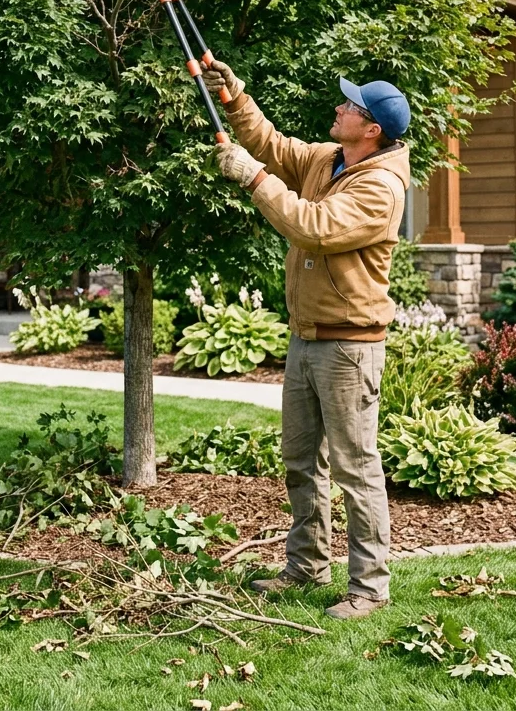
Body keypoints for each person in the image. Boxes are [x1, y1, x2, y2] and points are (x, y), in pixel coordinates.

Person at [202, 60, 411, 621]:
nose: (339, 108)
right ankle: (306, 566)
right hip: (307, 337)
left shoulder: (380, 187)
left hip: (349, 347)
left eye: (351, 106)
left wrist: (252, 179)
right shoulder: (331, 158)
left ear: (373, 130)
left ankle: (369, 587)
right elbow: (272, 144)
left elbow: (314, 225)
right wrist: (233, 96)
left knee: (354, 466)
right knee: (300, 460)